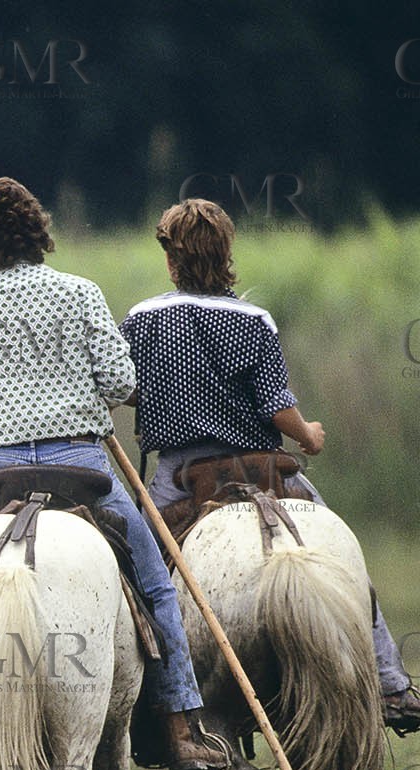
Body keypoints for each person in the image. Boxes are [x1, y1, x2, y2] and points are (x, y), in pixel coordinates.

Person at [0, 177, 228, 770]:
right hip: (87, 469)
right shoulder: (79, 293)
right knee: (156, 584)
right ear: (40, 233)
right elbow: (123, 383)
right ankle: (180, 722)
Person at [122, 198, 419, 733]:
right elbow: (274, 405)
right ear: (226, 253)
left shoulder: (143, 318)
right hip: (265, 469)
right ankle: (391, 683)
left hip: (181, 473)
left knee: (137, 573)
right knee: (347, 560)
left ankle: (150, 706)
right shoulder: (254, 319)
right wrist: (308, 434)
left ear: (171, 261)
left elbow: (126, 390)